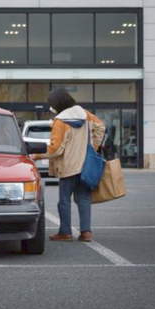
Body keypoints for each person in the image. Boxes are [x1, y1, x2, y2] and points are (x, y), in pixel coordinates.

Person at [32, 89, 105, 242]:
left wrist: (37, 155)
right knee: (84, 199)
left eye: (51, 104)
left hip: (68, 166)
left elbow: (56, 148)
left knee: (64, 200)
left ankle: (65, 232)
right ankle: (86, 232)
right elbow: (100, 127)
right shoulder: (84, 114)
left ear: (57, 104)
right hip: (85, 164)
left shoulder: (60, 121)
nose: (50, 107)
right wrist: (93, 147)